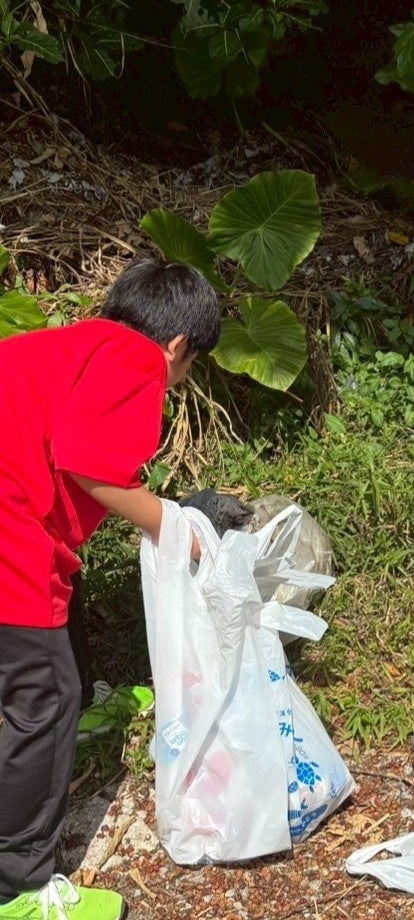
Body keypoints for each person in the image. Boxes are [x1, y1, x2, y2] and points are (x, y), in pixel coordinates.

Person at [0, 259, 220, 920]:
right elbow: (87, 462)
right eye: (189, 367)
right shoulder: (137, 360)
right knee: (45, 698)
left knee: (53, 644)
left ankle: (85, 709)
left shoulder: (69, 345)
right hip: (9, 534)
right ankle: (19, 888)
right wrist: (172, 526)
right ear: (177, 346)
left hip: (19, 518)